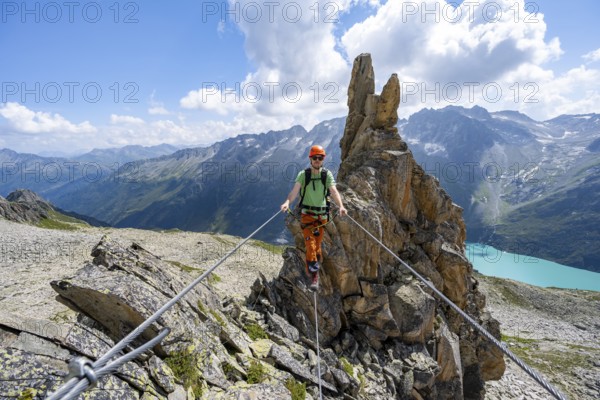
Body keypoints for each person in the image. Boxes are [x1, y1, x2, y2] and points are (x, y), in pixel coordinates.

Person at [281, 145, 347, 290]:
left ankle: (314, 267)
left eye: (320, 158)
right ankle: (314, 277)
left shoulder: (327, 175)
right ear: (310, 159)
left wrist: (341, 206)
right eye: (315, 158)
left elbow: (334, 192)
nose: (317, 160)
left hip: (322, 217)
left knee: (316, 246)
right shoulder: (303, 175)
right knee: (310, 244)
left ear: (323, 159)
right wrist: (287, 202)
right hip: (307, 217)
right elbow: (295, 191)